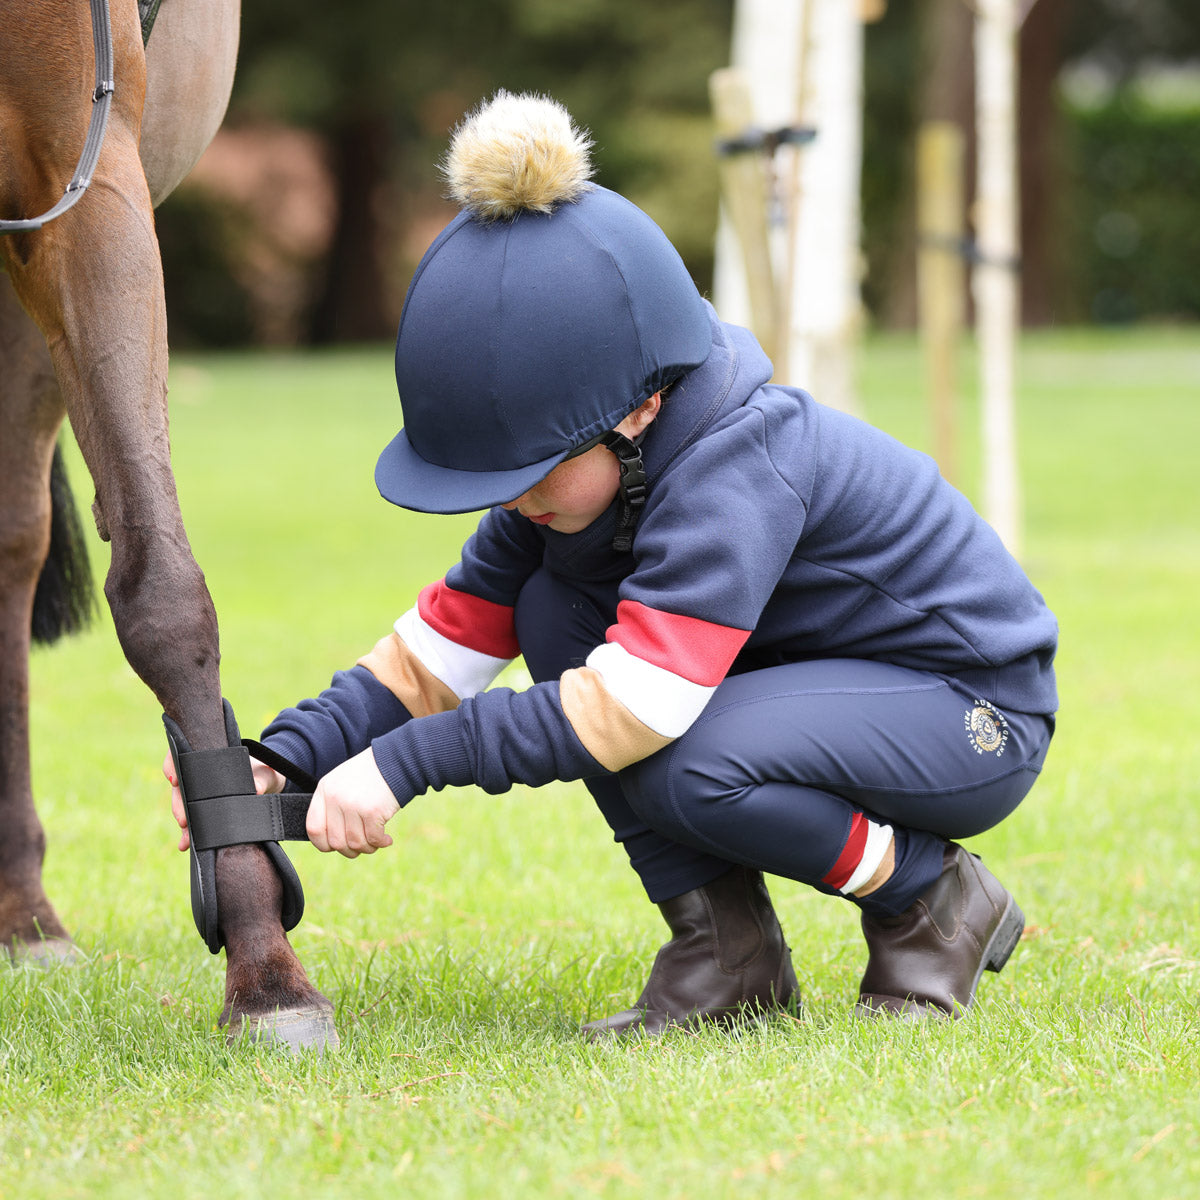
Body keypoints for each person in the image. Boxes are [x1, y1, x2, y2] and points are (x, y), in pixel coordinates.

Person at [165, 91, 1057, 1035]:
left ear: (637, 412)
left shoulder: (737, 468)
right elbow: (437, 656)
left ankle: (932, 896)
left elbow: (638, 707)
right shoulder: (566, 499)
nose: (514, 499)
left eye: (533, 470)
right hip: (814, 691)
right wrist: (283, 757)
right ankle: (728, 960)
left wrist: (402, 767)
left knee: (686, 761)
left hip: (967, 708)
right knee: (553, 613)